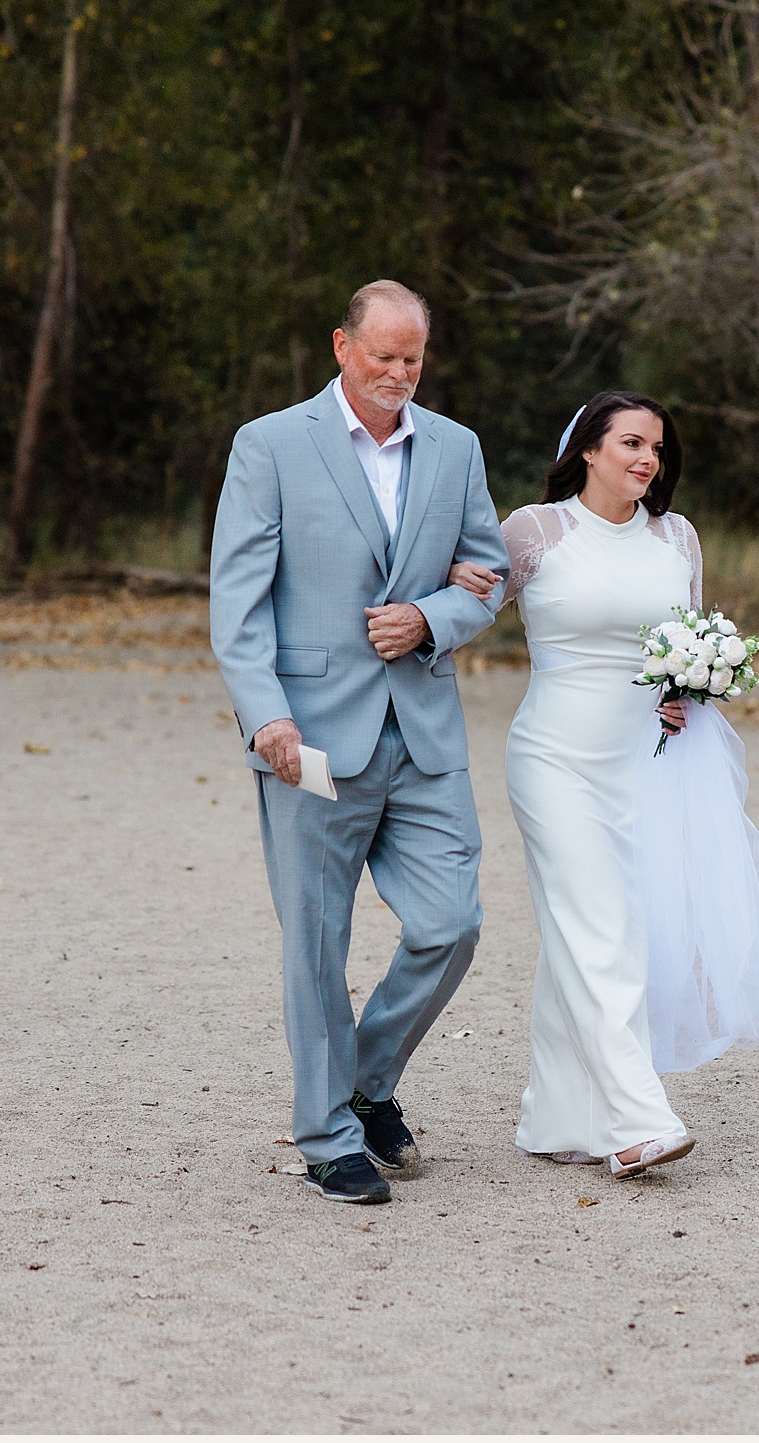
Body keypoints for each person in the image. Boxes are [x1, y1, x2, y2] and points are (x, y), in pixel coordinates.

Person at [208, 279, 509, 1207]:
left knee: (452, 923)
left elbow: (489, 574)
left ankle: (366, 1080)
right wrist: (266, 716)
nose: (399, 374)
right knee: (316, 942)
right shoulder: (271, 444)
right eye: (383, 355)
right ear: (342, 346)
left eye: (413, 358)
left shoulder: (455, 447)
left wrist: (431, 615)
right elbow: (239, 596)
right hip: (309, 739)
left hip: (421, 735)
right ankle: (328, 1137)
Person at [447, 392, 759, 1180]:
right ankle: (637, 1120)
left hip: (647, 766)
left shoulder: (677, 537)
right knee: (600, 927)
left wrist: (689, 690)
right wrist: (446, 580)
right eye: (631, 443)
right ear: (588, 449)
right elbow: (464, 613)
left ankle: (555, 1115)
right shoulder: (536, 530)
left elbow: (688, 642)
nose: (647, 460)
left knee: (596, 926)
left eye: (657, 450)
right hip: (556, 760)